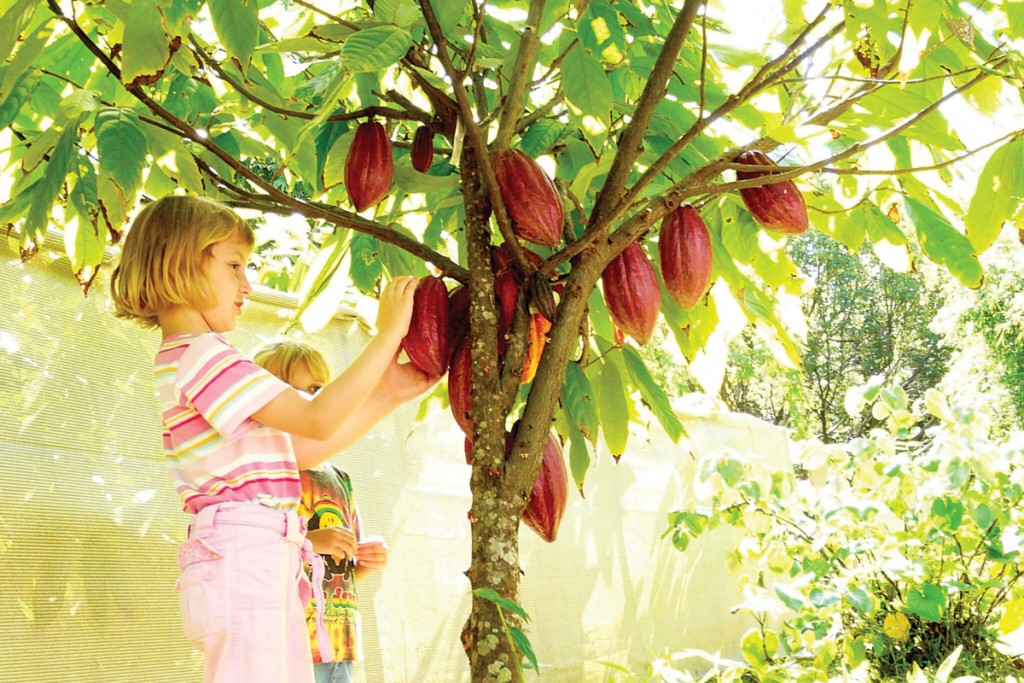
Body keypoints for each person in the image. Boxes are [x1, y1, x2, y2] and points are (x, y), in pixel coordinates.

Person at [109, 195, 433, 683]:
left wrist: (387, 393)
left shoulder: (191, 359)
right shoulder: (203, 356)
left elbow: (298, 450)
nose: (248, 285)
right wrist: (386, 337)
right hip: (245, 558)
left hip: (258, 556)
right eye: (234, 265)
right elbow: (318, 418)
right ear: (180, 264)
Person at [253, 340, 386, 683]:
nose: (305, 400)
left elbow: (342, 571)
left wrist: (365, 560)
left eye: (315, 389)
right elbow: (252, 554)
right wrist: (311, 540)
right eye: (288, 391)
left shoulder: (340, 479)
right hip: (286, 649)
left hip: (340, 645)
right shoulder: (262, 472)